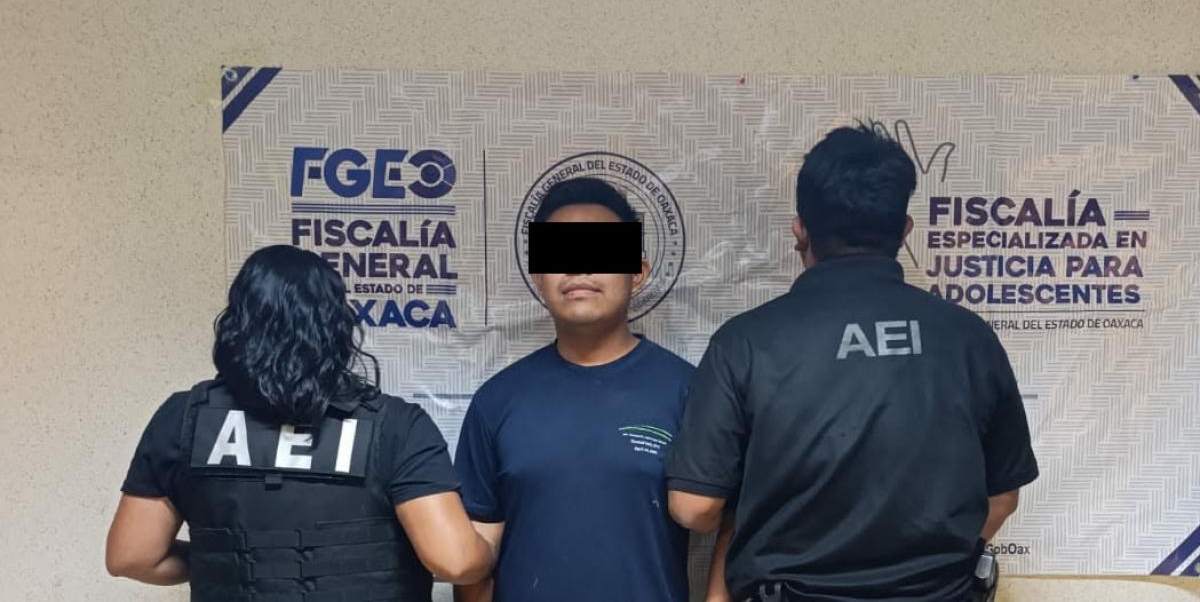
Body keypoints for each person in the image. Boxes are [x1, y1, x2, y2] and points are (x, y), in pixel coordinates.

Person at [665, 123, 1039, 602]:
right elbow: (1002, 496)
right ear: (904, 230)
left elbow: (694, 508)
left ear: (800, 229)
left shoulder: (745, 342)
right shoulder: (969, 337)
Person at [106, 244, 496, 601]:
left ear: (237, 323)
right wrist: (492, 550)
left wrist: (231, 563)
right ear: (337, 326)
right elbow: (456, 562)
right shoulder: (396, 425)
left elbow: (132, 556)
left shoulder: (183, 417)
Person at [453, 177, 702, 602]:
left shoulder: (689, 391)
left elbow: (727, 522)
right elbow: (476, 559)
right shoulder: (497, 401)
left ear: (637, 273)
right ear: (539, 275)